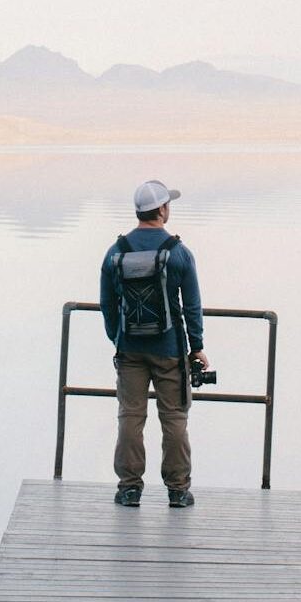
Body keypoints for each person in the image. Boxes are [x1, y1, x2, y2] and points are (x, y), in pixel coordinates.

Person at [98, 179, 209, 508]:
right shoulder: (178, 252)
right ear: (161, 210)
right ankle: (177, 490)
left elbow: (107, 305)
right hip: (169, 350)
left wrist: (118, 336)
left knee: (131, 416)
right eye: (168, 204)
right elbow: (192, 307)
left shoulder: (116, 251)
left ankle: (129, 488)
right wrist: (196, 346)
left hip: (129, 350)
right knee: (173, 418)